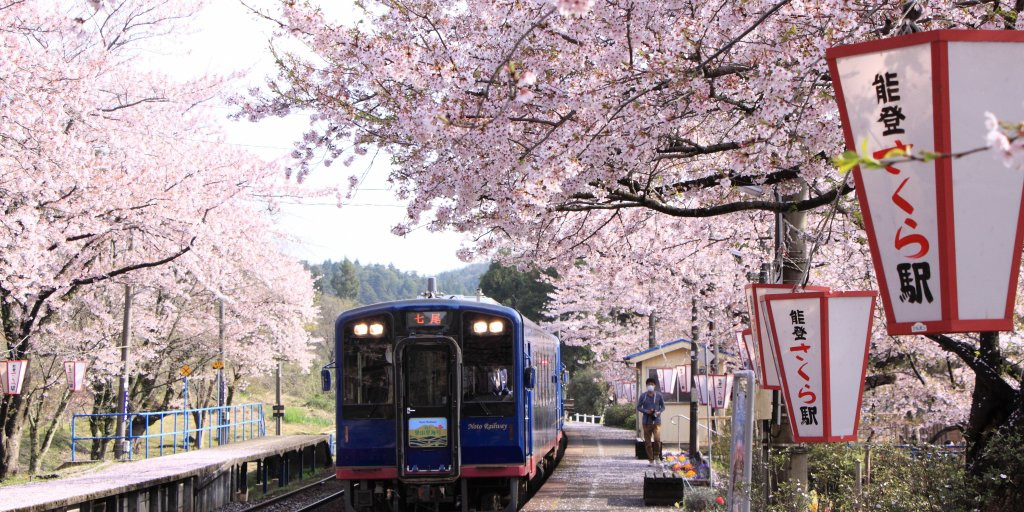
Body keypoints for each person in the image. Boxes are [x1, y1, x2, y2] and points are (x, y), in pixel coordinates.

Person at [636, 377, 666, 465]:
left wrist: (659, 412)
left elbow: (663, 407)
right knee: (648, 442)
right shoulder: (643, 396)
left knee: (657, 440)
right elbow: (638, 407)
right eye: (649, 384)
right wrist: (646, 411)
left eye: (652, 384)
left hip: (656, 421)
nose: (650, 386)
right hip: (646, 422)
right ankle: (650, 459)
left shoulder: (659, 395)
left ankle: (656, 456)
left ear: (655, 385)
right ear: (646, 385)